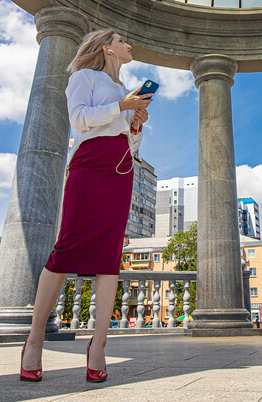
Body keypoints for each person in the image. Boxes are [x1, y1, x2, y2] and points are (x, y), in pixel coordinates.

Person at [19, 29, 153, 383]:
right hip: (89, 163)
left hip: (120, 168)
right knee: (67, 248)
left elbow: (130, 143)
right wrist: (121, 108)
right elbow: (79, 120)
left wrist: (135, 124)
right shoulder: (84, 77)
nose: (129, 44)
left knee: (110, 256)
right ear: (107, 47)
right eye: (124, 40)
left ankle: (98, 345)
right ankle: (34, 340)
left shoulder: (127, 91)